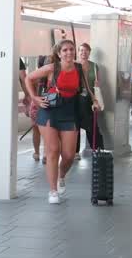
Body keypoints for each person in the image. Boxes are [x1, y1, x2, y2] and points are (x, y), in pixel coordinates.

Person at [25, 40, 89, 205]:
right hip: (49, 110)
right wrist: (34, 98)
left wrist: (95, 100)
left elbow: (87, 88)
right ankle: (53, 191)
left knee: (68, 155)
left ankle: (61, 175)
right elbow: (28, 78)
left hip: (70, 111)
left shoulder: (80, 68)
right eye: (65, 50)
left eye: (71, 50)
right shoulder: (52, 68)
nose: (69, 53)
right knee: (53, 150)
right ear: (59, 53)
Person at [75, 43, 106, 153]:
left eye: (86, 50)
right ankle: (75, 151)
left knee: (92, 125)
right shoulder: (74, 65)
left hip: (90, 99)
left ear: (89, 52)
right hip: (76, 98)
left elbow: (96, 82)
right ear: (78, 52)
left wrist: (97, 86)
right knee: (75, 125)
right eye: (81, 50)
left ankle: (97, 149)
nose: (84, 52)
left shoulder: (94, 66)